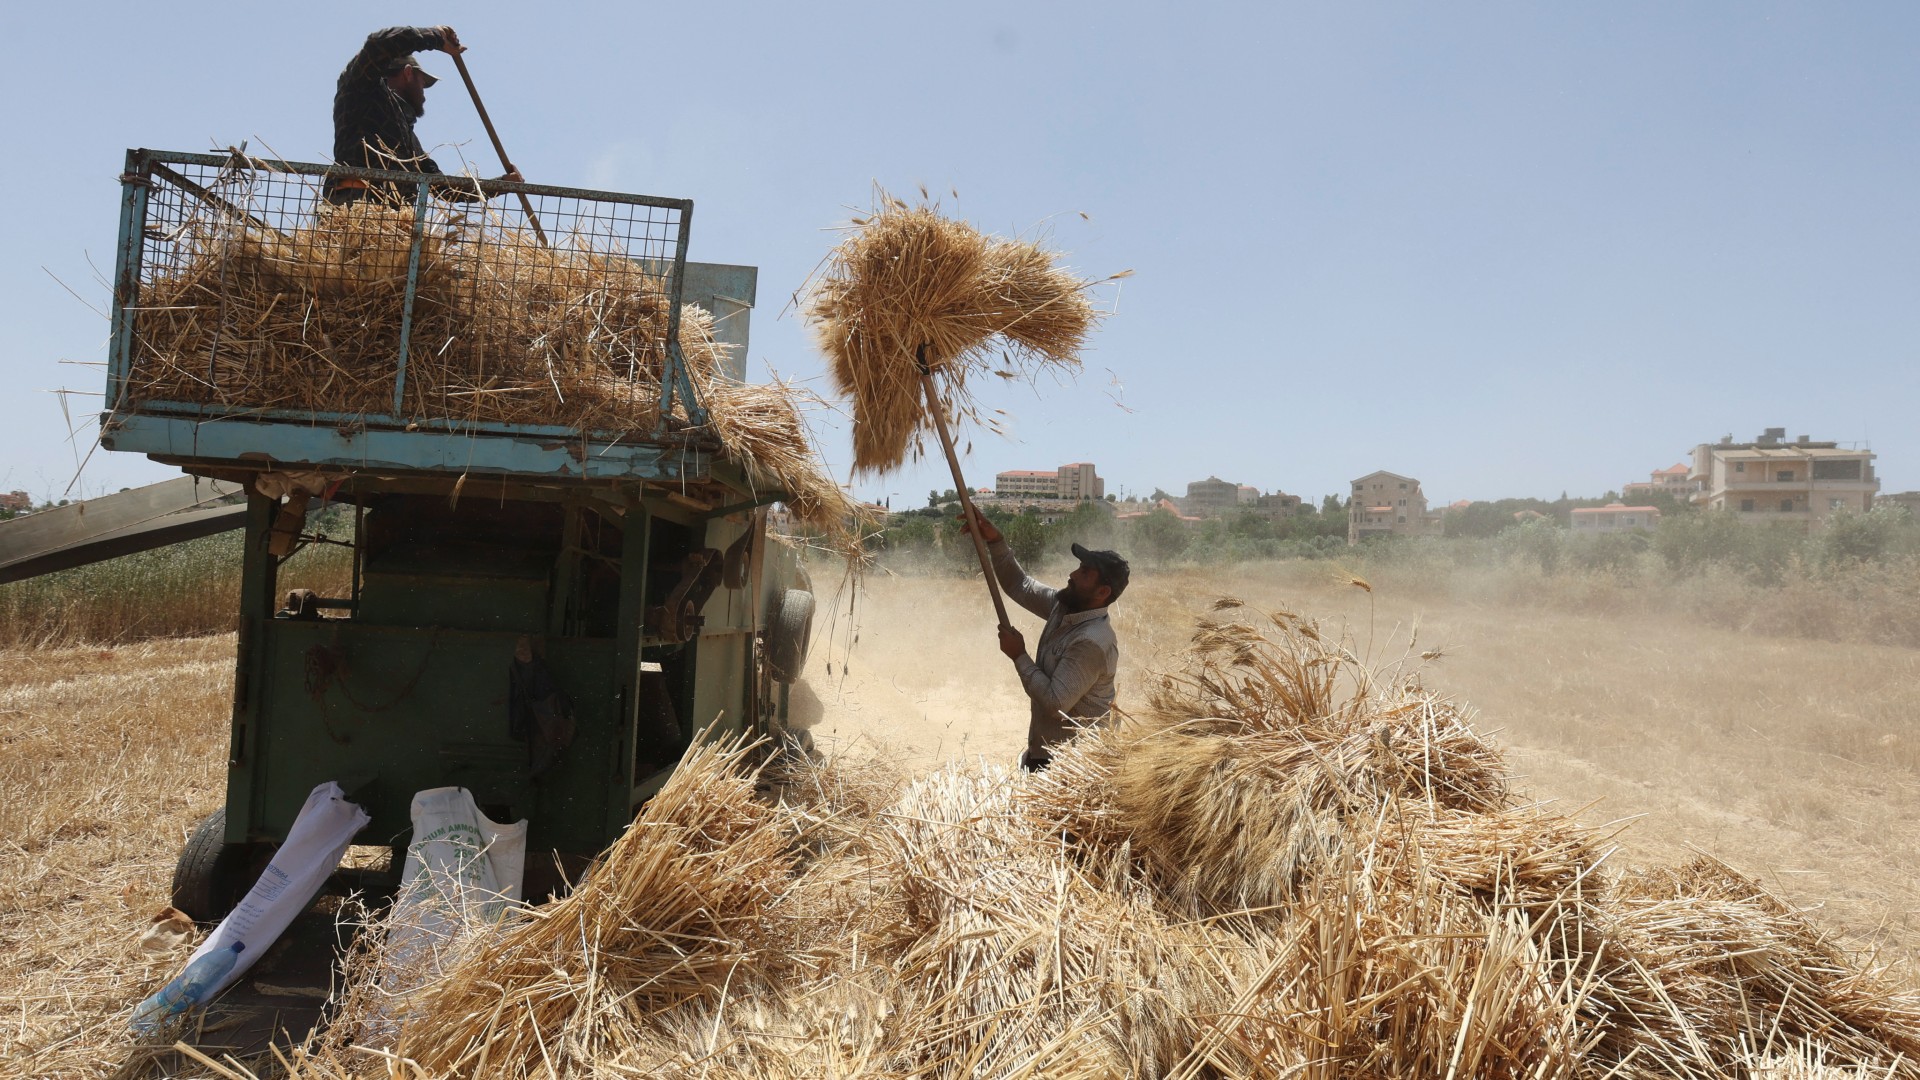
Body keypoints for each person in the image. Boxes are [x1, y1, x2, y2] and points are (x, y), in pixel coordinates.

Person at [964, 515, 1128, 771]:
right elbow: (1020, 585)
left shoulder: (1091, 642)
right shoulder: (1064, 606)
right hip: (1049, 752)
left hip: (1075, 765)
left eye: (1084, 572)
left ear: (1102, 592)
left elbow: (1055, 703)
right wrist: (996, 541)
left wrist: (1019, 655)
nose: (1072, 574)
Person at [326, 26, 522, 206]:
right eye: (423, 83)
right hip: (355, 207)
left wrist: (503, 184)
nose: (424, 94)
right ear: (408, 73)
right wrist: (435, 38)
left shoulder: (407, 139)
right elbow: (378, 44)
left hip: (393, 226)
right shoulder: (361, 90)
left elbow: (444, 189)